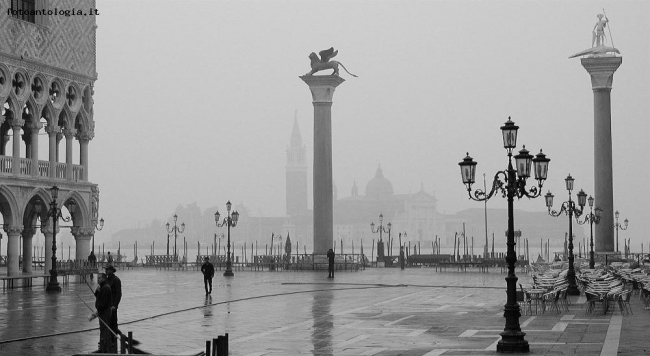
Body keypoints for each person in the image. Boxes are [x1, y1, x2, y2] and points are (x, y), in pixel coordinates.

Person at [89, 272, 113, 353]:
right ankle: (103, 345)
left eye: (99, 278)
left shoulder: (106, 288)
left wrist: (95, 313)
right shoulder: (102, 287)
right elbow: (98, 297)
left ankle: (105, 347)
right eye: (97, 278)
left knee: (104, 329)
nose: (98, 279)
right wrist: (97, 291)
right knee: (102, 329)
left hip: (105, 311)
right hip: (102, 311)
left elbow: (103, 303)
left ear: (103, 278)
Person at [105, 265, 122, 351]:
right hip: (106, 306)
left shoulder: (116, 280)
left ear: (111, 271)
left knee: (113, 323)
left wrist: (115, 305)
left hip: (112, 306)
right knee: (107, 323)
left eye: (108, 270)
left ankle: (113, 340)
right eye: (106, 270)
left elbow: (119, 294)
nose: (106, 271)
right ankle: (107, 340)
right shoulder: (106, 280)